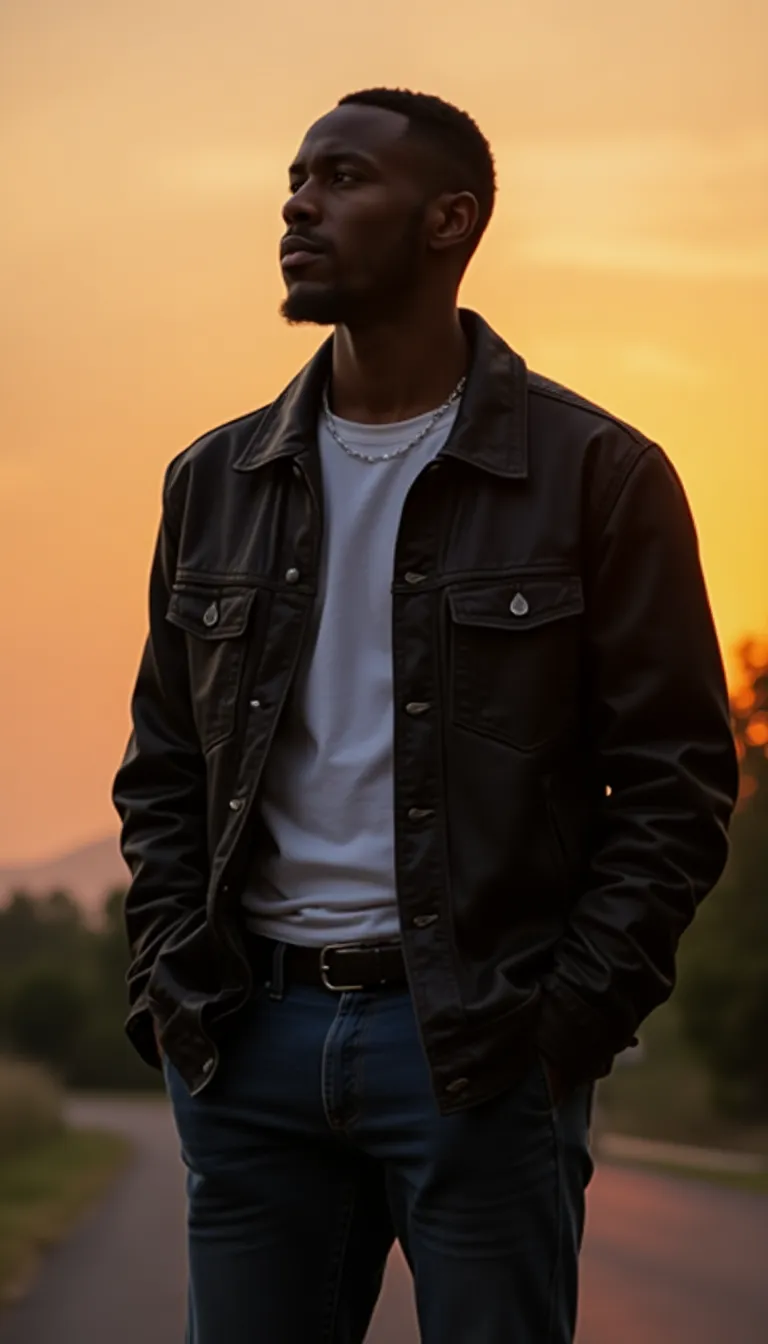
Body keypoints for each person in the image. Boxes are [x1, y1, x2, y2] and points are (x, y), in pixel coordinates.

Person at [112, 88, 739, 1344]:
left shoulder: (596, 473)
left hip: (478, 1049)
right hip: (250, 1041)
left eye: (342, 178)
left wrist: (566, 1028)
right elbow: (166, 767)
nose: (298, 203)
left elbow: (676, 785)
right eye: (294, 177)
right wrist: (175, 988)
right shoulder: (214, 481)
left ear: (450, 220)